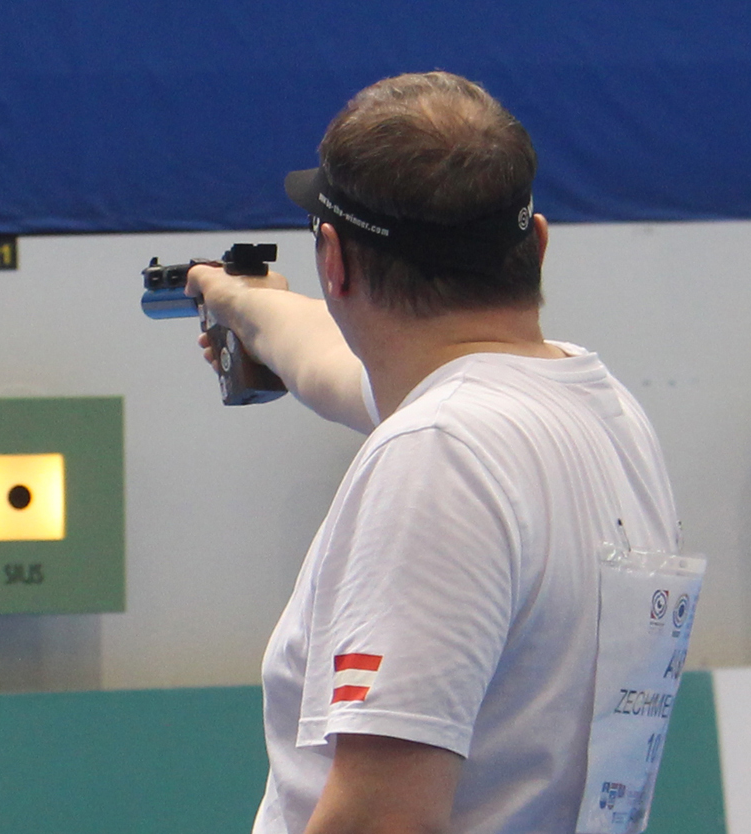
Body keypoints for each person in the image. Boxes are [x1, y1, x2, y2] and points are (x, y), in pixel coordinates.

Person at [184, 71, 682, 834]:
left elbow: (384, 819)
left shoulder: (439, 455)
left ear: (334, 262)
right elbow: (338, 366)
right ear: (536, 244)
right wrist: (241, 301)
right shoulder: (597, 409)